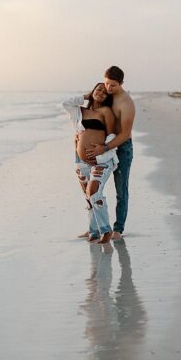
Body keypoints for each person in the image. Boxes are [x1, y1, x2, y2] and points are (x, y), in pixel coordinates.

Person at [81, 66, 136, 240]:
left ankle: (118, 229)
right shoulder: (105, 94)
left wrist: (105, 148)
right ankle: (95, 228)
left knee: (121, 189)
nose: (109, 89)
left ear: (121, 84)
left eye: (113, 85)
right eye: (106, 84)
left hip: (121, 148)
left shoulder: (126, 103)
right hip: (101, 148)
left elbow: (125, 134)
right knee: (93, 189)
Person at [62, 82, 118, 244]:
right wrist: (85, 97)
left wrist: (102, 149)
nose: (101, 92)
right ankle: (93, 231)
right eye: (98, 89)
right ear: (92, 90)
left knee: (94, 192)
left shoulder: (106, 111)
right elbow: (65, 103)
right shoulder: (80, 111)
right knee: (88, 197)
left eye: (104, 92)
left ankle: (106, 230)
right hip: (81, 162)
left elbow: (112, 135)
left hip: (101, 160)